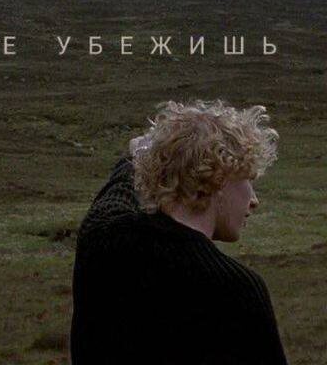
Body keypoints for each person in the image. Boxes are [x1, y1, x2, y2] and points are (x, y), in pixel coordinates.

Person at [71, 100, 288, 365]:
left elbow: (114, 199)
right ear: (217, 178)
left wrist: (139, 159)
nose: (254, 200)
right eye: (248, 180)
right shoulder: (236, 290)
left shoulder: (103, 239)